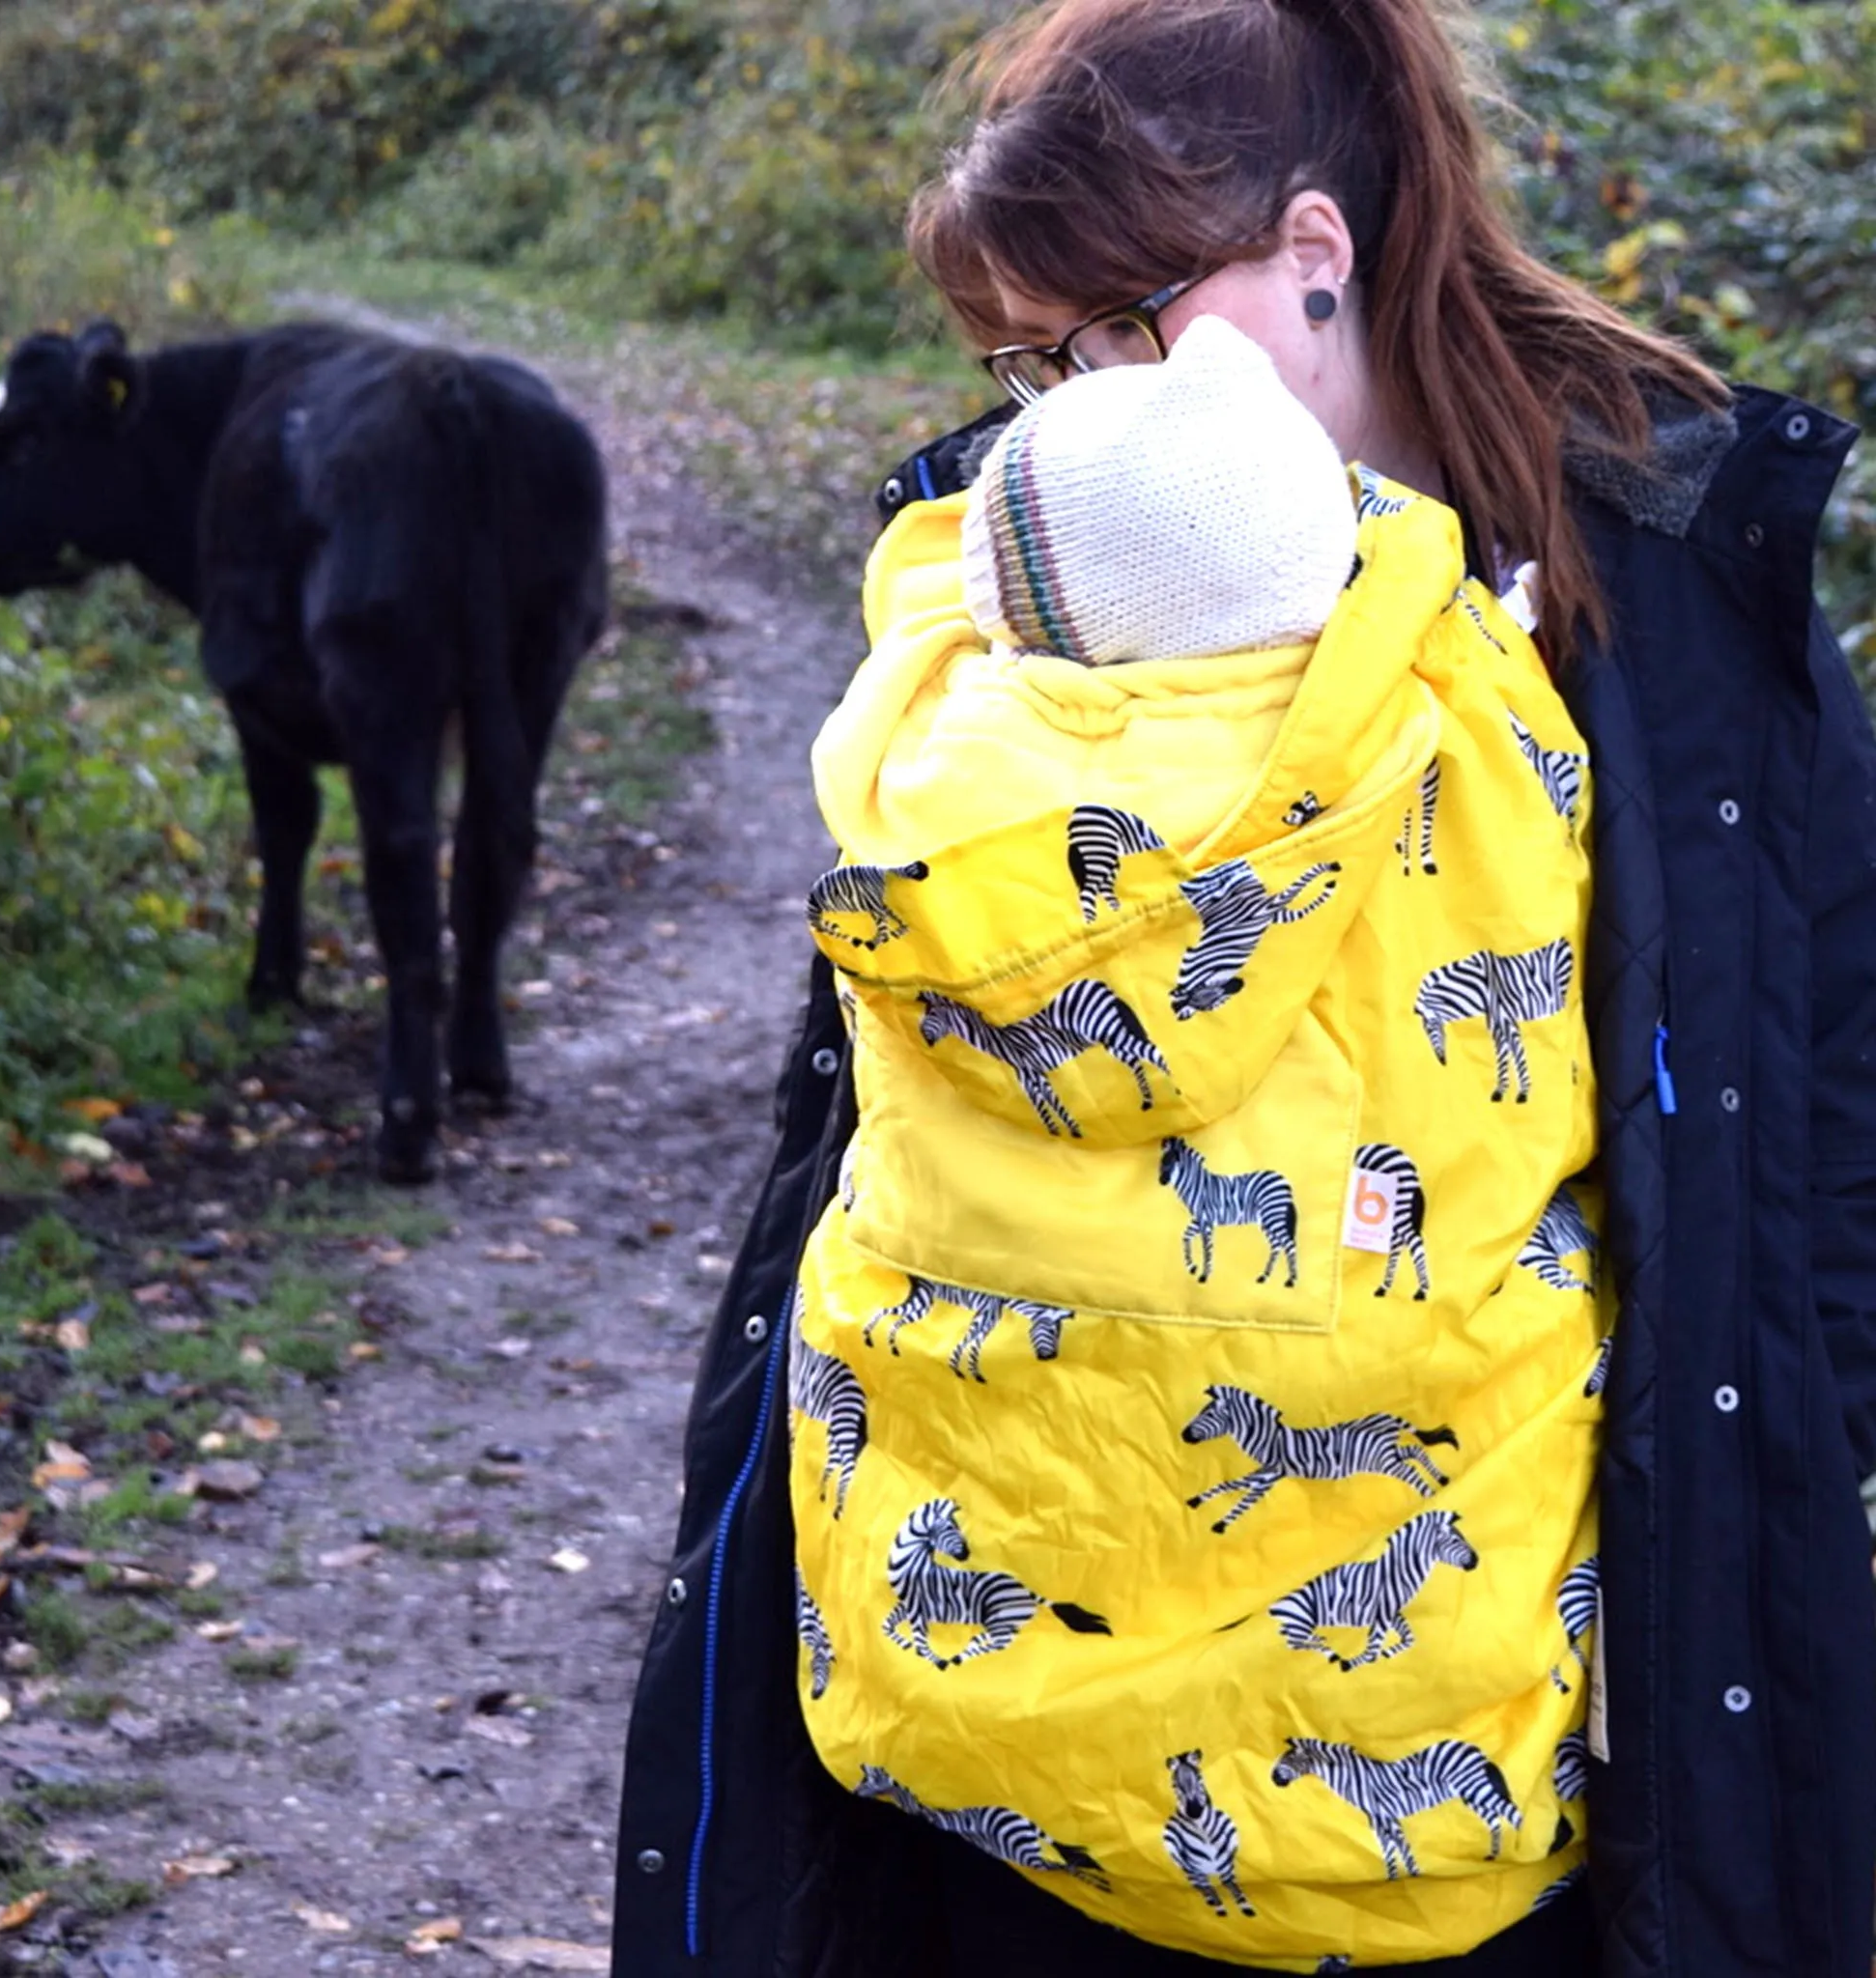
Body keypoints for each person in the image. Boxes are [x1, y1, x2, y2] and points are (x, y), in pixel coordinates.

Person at [611, 0, 1876, 1973]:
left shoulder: (1664, 602)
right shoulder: (1012, 581)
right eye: (1025, 359)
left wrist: (1744, 1493)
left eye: (1116, 327)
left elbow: (1825, 1106)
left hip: (1482, 1808)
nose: (1067, 410)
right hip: (1017, 1786)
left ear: (1314, 252)